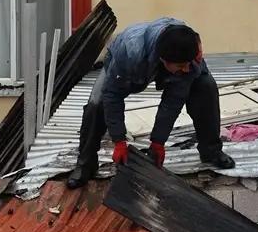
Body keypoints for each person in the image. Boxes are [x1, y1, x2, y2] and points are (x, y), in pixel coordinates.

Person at [66, 18, 234, 188]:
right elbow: (113, 96)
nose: (186, 70)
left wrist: (158, 142)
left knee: (206, 87)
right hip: (124, 61)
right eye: (181, 66)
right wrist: (119, 141)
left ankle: (211, 151)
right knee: (97, 104)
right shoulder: (129, 53)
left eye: (187, 65)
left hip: (173, 55)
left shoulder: (188, 54)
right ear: (163, 60)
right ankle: (85, 164)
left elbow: (172, 101)